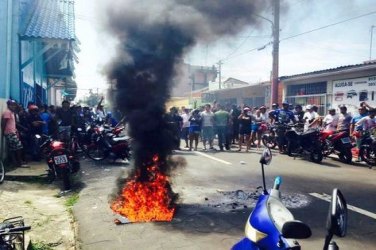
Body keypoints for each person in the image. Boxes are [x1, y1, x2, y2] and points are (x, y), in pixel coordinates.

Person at [1, 100, 27, 167]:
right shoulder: (7, 112)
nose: (14, 106)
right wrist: (3, 131)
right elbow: (4, 123)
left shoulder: (12, 112)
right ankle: (19, 162)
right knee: (19, 147)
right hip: (9, 133)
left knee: (12, 148)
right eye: (12, 105)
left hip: (13, 132)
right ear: (8, 105)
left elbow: (18, 109)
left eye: (14, 105)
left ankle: (15, 162)